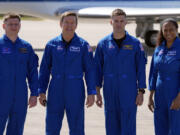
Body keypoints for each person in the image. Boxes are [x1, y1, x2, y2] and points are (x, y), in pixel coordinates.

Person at [38, 11, 96, 135]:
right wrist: (41, 91)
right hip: (55, 90)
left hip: (75, 89)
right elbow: (44, 70)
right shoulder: (51, 45)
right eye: (66, 22)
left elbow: (90, 71)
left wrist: (91, 92)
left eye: (72, 23)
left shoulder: (84, 45)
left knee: (77, 128)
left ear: (76, 25)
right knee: (52, 127)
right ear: (60, 24)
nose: (69, 26)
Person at [94, 8, 146, 135]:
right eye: (116, 21)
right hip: (110, 91)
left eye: (121, 21)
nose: (118, 24)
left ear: (126, 23)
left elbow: (141, 69)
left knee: (128, 125)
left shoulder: (135, 44)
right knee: (111, 125)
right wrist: (97, 92)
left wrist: (141, 91)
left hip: (128, 91)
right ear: (111, 22)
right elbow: (97, 70)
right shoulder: (103, 44)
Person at [0, 13, 39, 135]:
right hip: (1, 94)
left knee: (16, 129)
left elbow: (33, 72)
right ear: (3, 26)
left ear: (20, 26)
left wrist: (34, 94)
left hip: (20, 96)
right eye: (10, 24)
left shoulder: (26, 47)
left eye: (16, 24)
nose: (13, 27)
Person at [148, 18, 180, 135]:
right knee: (160, 126)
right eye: (165, 30)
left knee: (176, 128)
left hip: (175, 93)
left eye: (171, 30)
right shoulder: (158, 49)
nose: (168, 33)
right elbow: (154, 73)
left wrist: (179, 97)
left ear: (177, 30)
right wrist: (150, 96)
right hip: (160, 95)